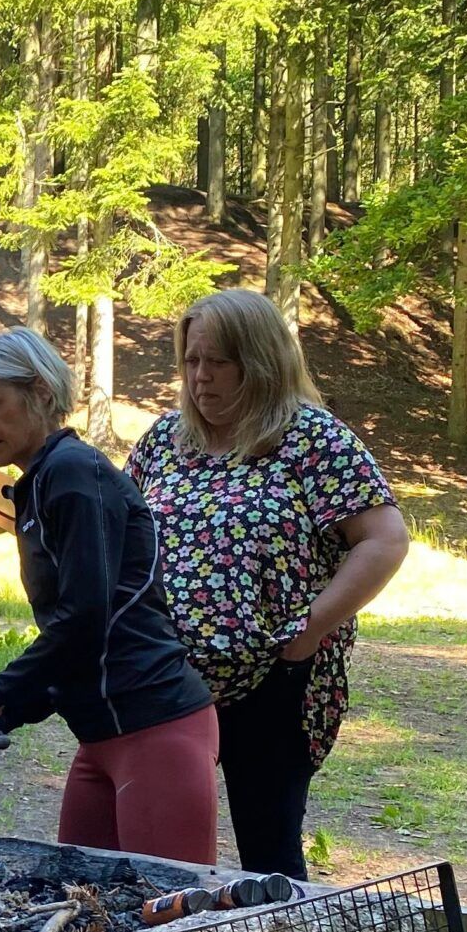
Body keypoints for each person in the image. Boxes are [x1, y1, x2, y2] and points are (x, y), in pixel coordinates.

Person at [127, 285, 408, 879]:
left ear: (259, 361)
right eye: (191, 360)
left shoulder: (315, 441)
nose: (201, 377)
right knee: (158, 852)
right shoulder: (163, 441)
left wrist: (306, 633)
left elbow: (384, 540)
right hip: (168, 681)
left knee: (267, 847)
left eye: (218, 361)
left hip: (275, 682)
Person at [0, 326, 220, 866]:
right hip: (101, 734)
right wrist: (16, 706)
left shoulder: (73, 473)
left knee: (170, 924)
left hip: (155, 725)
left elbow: (87, 617)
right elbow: (77, 632)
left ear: (42, 394)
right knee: (84, 903)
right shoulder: (42, 479)